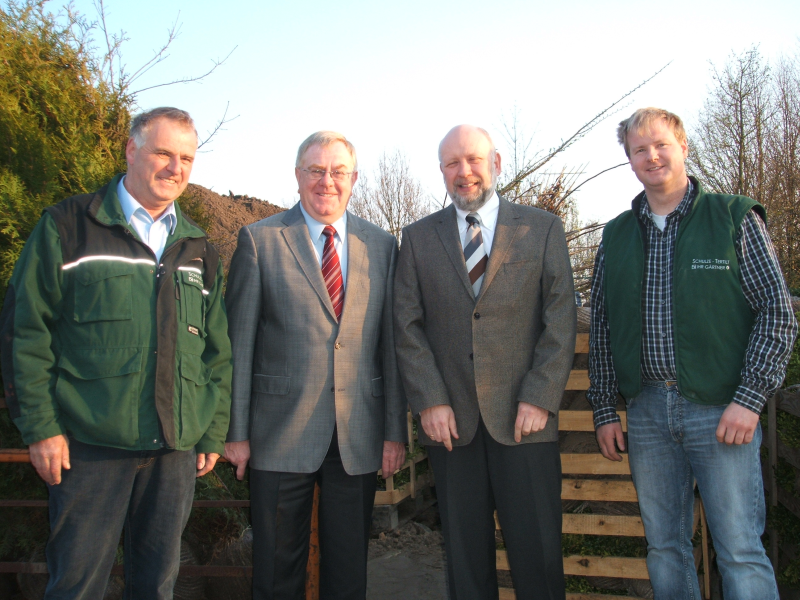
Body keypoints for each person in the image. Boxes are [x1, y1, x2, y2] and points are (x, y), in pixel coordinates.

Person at [0, 107, 233, 599]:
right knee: (77, 586)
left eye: (187, 158)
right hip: (89, 448)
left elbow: (216, 353)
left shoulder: (198, 248)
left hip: (174, 452)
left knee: (156, 586)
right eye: (164, 153)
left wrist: (211, 432)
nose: (176, 169)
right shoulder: (68, 227)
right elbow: (26, 332)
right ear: (131, 149)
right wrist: (41, 428)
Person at [588, 107, 797, 599]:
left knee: (740, 551)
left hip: (721, 410)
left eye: (660, 144)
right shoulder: (615, 235)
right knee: (664, 549)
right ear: (629, 161)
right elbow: (600, 328)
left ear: (683, 146)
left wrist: (749, 399)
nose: (651, 155)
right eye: (639, 150)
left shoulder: (732, 218)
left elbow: (777, 312)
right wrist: (603, 409)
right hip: (646, 414)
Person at [394, 124, 577, 599]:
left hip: (526, 422)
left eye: (474, 160)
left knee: (537, 557)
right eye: (452, 163)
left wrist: (540, 397)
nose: (464, 171)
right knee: (466, 563)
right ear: (441, 172)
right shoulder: (415, 239)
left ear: (496, 163)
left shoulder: (541, 228)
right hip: (452, 428)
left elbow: (560, 320)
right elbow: (407, 327)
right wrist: (430, 401)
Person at [223, 131, 406, 600]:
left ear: (354, 179)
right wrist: (236, 433)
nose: (327, 181)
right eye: (316, 170)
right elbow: (239, 343)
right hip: (279, 434)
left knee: (348, 574)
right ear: (298, 175)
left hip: (356, 434)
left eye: (338, 171)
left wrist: (394, 432)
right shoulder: (260, 240)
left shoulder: (382, 246)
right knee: (276, 572)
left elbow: (391, 345)